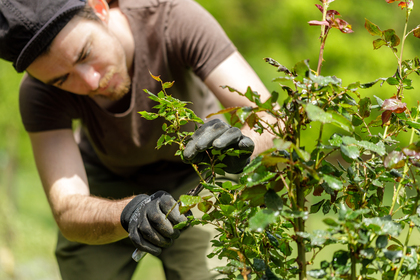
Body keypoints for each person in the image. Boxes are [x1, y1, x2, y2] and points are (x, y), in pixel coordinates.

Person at [0, 0, 274, 279]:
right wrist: (129, 213)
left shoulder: (174, 18)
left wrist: (242, 150)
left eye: (85, 54)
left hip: (203, 168)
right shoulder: (38, 92)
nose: (91, 82)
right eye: (62, 80)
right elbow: (68, 209)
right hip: (107, 182)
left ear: (100, 9)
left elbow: (269, 119)